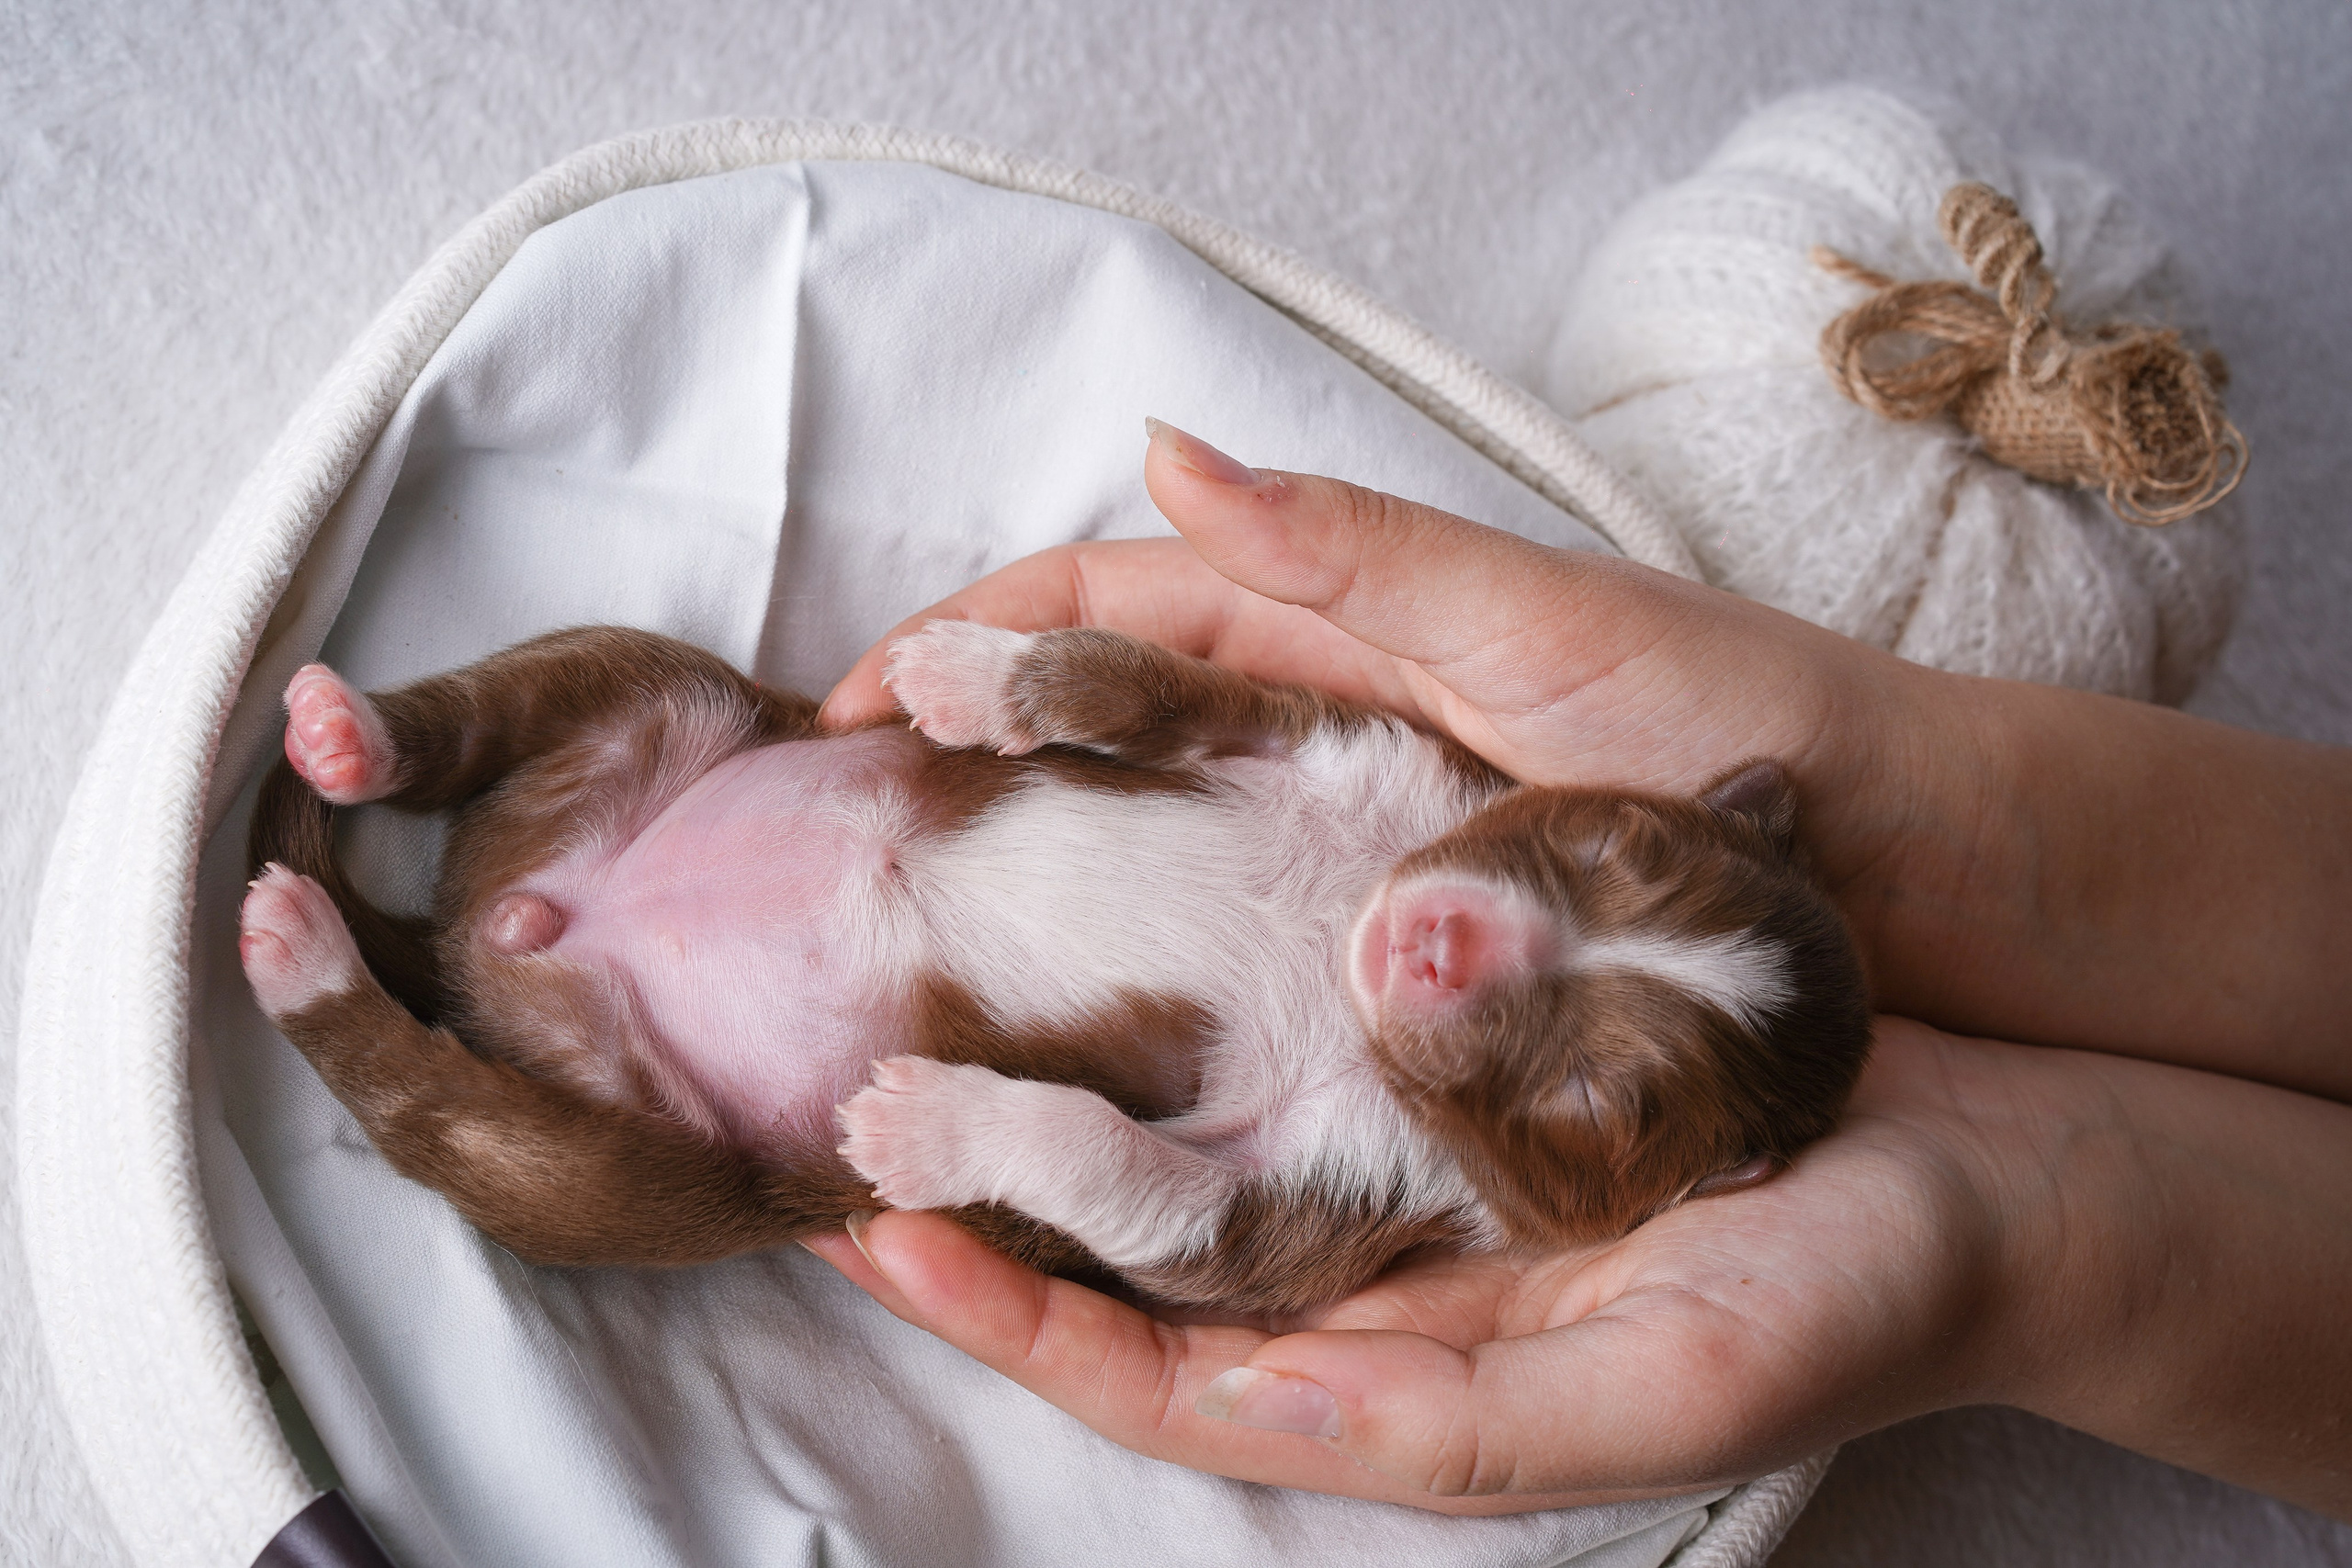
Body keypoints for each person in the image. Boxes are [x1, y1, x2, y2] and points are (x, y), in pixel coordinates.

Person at [804, 421, 2352, 1523]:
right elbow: (1244, 721)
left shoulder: (1418, 1180)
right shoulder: (1440, 801)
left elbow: (1218, 1232)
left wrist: (2034, 1237)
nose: (1492, 945)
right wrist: (1042, 688)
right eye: (1613, 862)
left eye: (1592, 1074)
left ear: (1699, 1177)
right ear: (1729, 808)